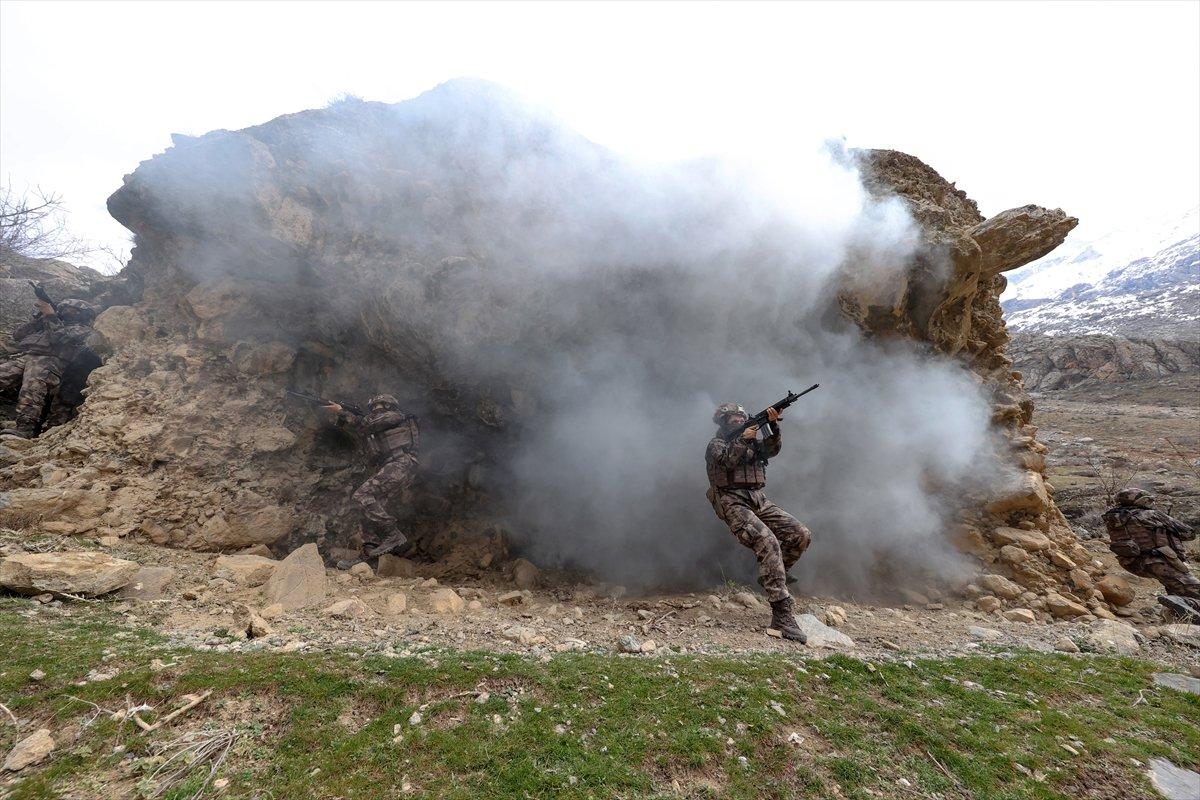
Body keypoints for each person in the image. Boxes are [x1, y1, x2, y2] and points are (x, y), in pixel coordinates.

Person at [706, 402, 812, 642]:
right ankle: (782, 617)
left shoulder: (752, 440)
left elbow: (772, 450)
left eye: (739, 416)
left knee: (800, 534)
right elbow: (727, 462)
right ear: (722, 422)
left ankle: (773, 574)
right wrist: (744, 439)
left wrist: (773, 425)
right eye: (731, 417)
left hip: (757, 498)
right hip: (731, 501)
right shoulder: (716, 445)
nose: (736, 419)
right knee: (768, 541)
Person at [322, 394, 419, 564]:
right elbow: (362, 429)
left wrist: (342, 411)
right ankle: (370, 552)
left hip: (401, 462)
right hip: (393, 465)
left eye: (379, 406)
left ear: (389, 406)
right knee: (367, 508)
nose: (375, 409)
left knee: (362, 496)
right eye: (373, 407)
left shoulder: (395, 416)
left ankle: (393, 534)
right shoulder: (378, 423)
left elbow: (366, 424)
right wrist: (341, 416)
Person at [0, 297, 96, 439]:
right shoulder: (49, 323)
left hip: (51, 361)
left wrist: (50, 315)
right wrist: (38, 319)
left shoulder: (83, 330)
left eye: (73, 310)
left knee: (32, 390)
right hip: (27, 356)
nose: (67, 311)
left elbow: (59, 338)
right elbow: (18, 335)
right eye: (64, 308)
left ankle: (25, 429)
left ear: (84, 314)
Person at [1102, 487, 1199, 623]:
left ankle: (1179, 618)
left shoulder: (1111, 517)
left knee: (1175, 586)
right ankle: (1183, 603)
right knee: (1195, 589)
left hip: (1131, 563)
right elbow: (1189, 533)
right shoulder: (1150, 515)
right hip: (1159, 561)